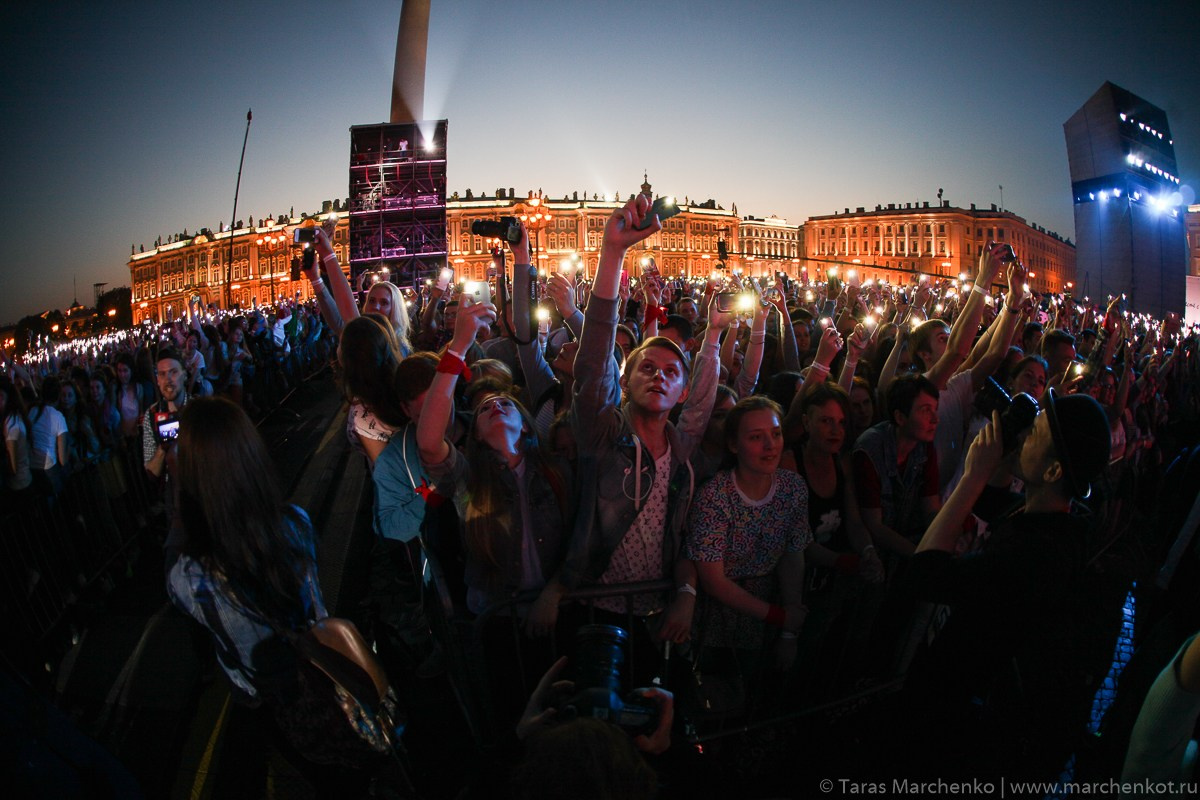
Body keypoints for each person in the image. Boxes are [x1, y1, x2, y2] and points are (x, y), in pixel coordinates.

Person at [895, 389, 1125, 782]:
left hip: (961, 728)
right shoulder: (1061, 521)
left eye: (1034, 433)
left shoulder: (1038, 556)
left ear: (1053, 472)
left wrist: (972, 476)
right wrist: (1000, 461)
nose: (1021, 437)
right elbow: (993, 505)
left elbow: (923, 575)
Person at [552, 192, 727, 685]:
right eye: (646, 368)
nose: (659, 376)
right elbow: (593, 358)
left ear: (682, 391)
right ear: (625, 383)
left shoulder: (684, 450)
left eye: (672, 372)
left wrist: (687, 594)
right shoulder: (602, 434)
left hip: (659, 615)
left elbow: (687, 534)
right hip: (592, 611)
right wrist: (612, 256)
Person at [163, 397, 346, 794]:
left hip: (258, 691)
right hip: (320, 663)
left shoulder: (191, 576)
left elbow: (176, 582)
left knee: (296, 753)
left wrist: (179, 491)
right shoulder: (295, 522)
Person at [685, 396, 811, 675]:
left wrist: (789, 630)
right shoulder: (715, 496)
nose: (770, 446)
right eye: (756, 437)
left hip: (769, 619)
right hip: (714, 622)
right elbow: (713, 580)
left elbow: (793, 555)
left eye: (776, 434)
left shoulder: (792, 488)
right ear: (733, 445)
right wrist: (780, 617)